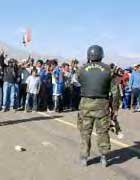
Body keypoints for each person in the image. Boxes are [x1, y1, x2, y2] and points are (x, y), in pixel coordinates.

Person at [77, 45, 113, 167]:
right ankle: (103, 157)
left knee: (85, 132)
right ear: (101, 55)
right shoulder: (108, 69)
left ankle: (84, 157)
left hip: (86, 105)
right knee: (102, 132)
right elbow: (115, 92)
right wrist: (115, 109)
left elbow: (79, 81)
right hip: (102, 105)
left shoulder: (82, 69)